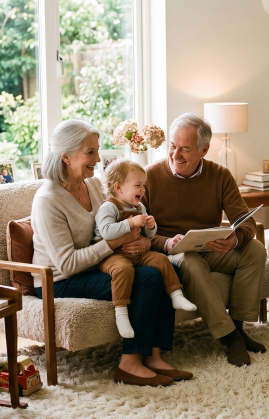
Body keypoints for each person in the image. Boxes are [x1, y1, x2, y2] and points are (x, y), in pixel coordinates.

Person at [32, 119, 189, 387]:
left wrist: (142, 243)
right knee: (149, 278)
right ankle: (129, 363)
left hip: (98, 265)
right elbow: (68, 264)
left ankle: (153, 355)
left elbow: (118, 225)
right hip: (57, 280)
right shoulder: (48, 200)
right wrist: (117, 243)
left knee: (169, 268)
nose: (98, 158)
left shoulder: (93, 185)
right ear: (66, 157)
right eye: (90, 152)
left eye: (97, 150)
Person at [142, 112, 267, 367]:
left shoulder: (220, 175)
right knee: (191, 261)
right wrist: (166, 242)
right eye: (173, 146)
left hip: (210, 248)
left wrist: (234, 240)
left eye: (185, 149)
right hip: (170, 252)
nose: (175, 155)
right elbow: (138, 233)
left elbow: (246, 222)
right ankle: (230, 337)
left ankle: (239, 327)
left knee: (254, 250)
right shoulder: (149, 177)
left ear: (204, 150)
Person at [94, 159, 196, 339]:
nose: (143, 189)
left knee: (161, 259)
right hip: (111, 255)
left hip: (138, 253)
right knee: (123, 270)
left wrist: (150, 226)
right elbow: (107, 232)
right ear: (118, 187)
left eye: (144, 185)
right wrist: (130, 223)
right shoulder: (108, 207)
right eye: (138, 185)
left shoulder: (139, 207)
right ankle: (121, 313)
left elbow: (148, 235)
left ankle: (176, 294)